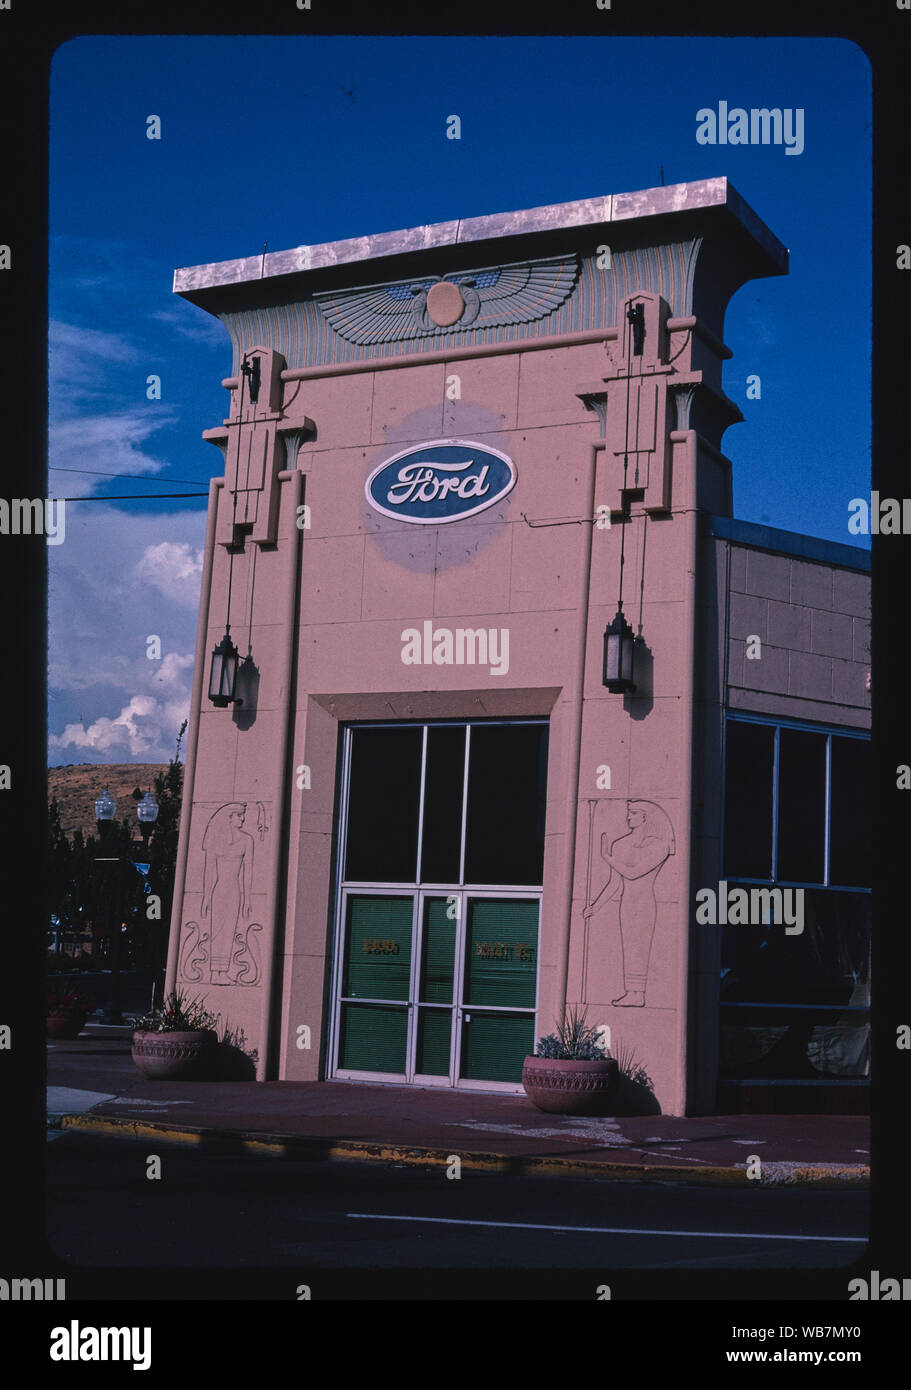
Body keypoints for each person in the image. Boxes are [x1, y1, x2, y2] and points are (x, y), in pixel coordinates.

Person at [583, 800, 674, 1006]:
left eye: (633, 813)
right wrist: (595, 907)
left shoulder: (658, 846)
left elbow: (633, 873)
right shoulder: (620, 844)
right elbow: (615, 883)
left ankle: (638, 994)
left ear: (645, 817)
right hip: (627, 903)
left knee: (639, 947)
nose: (628, 817)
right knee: (629, 946)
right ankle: (631, 992)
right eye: (628, 813)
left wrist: (606, 857)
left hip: (645, 903)